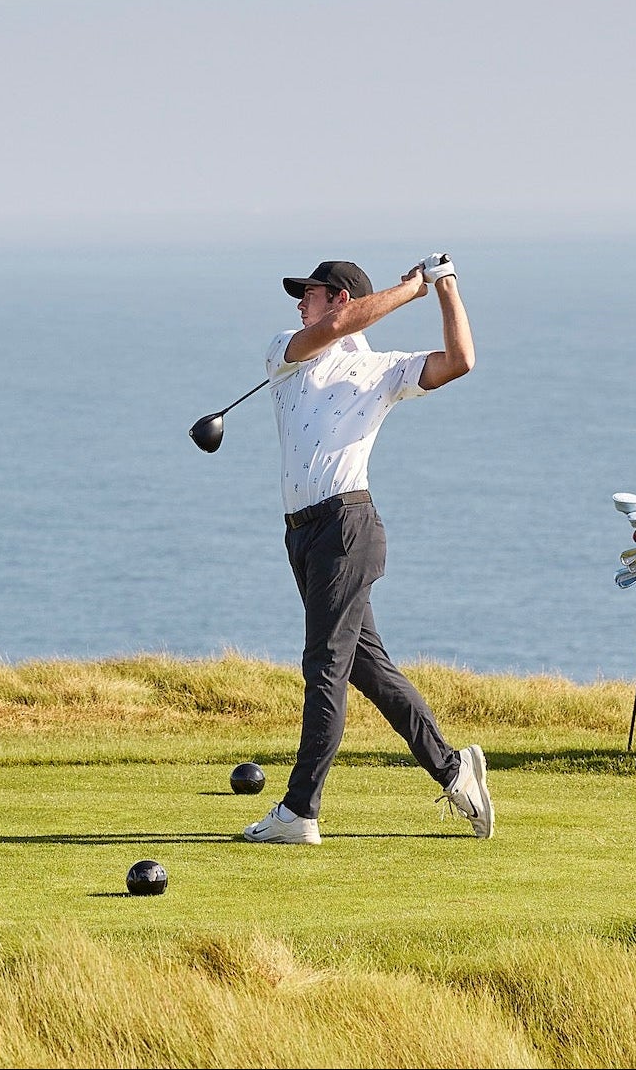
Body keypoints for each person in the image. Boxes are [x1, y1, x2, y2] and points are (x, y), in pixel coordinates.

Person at [241, 255, 493, 845]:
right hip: (302, 533)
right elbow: (332, 330)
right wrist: (411, 289)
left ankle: (300, 811)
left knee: (324, 665)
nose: (299, 303)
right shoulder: (286, 349)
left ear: (340, 297)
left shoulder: (383, 369)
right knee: (365, 666)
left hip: (346, 526)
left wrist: (442, 287)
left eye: (309, 293)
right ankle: (454, 771)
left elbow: (461, 360)